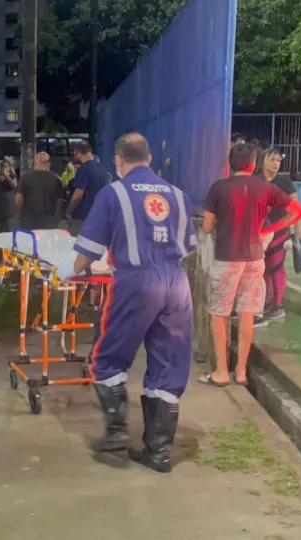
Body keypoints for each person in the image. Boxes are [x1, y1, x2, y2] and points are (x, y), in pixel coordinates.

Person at [73, 133, 197, 474]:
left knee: (106, 355)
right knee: (169, 363)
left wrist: (76, 268)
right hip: (176, 283)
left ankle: (115, 432)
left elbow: (86, 255)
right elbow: (188, 248)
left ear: (118, 160)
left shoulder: (114, 193)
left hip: (136, 281)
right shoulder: (179, 195)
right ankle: (158, 453)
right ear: (150, 158)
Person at [201, 143, 301, 387]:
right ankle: (240, 372)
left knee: (219, 313)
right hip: (255, 257)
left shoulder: (219, 188)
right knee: (247, 312)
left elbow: (206, 227)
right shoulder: (266, 188)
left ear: (230, 164)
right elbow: (298, 211)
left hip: (228, 257)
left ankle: (221, 372)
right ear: (253, 164)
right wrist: (267, 230)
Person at [261, 148, 301, 321]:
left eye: (278, 160)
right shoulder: (256, 180)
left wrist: (297, 236)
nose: (276, 164)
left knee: (276, 268)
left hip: (280, 232)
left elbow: (296, 209)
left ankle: (277, 305)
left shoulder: (284, 182)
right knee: (263, 270)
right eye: (273, 160)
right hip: (260, 233)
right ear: (264, 161)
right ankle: (264, 303)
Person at [65, 139, 111, 236]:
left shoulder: (84, 169)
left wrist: (69, 211)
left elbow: (78, 194)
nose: (75, 157)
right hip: (98, 215)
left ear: (79, 153)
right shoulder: (101, 169)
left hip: (83, 216)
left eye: (75, 154)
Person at [16, 151, 63, 230]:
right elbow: (59, 202)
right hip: (49, 222)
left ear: (35, 163)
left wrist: (19, 214)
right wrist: (57, 218)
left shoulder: (25, 178)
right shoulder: (56, 179)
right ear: (48, 164)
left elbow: (18, 200)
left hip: (28, 221)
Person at [0, 161, 17, 233]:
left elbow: (14, 185)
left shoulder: (12, 176)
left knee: (8, 231)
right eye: (2, 166)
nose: (4, 168)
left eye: (6, 166)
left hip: (8, 209)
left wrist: (7, 176)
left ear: (9, 168)